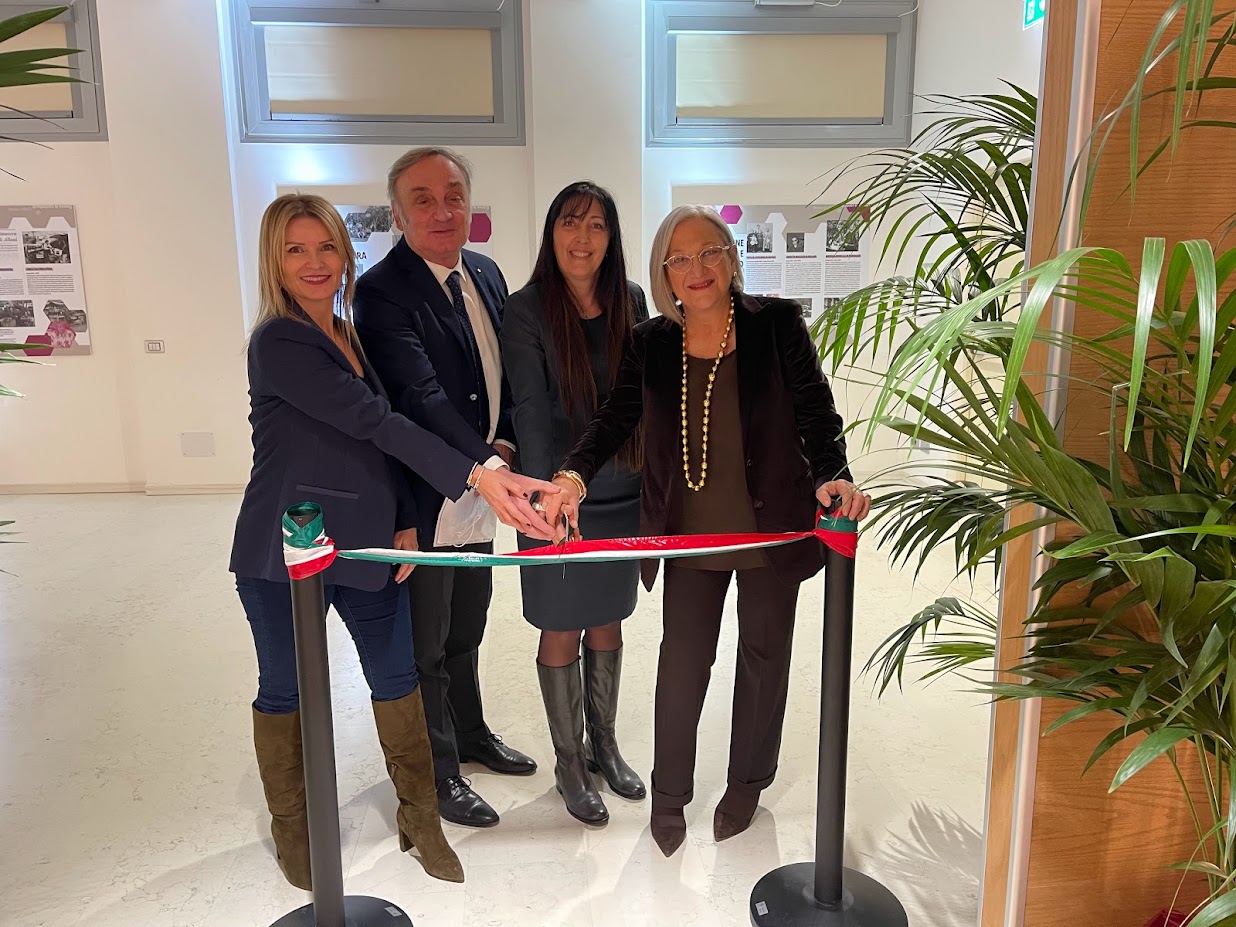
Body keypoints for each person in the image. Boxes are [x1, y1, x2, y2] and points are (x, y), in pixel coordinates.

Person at [229, 194, 555, 888]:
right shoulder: (279, 341)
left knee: (398, 678)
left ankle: (421, 820)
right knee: (285, 688)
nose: (315, 263)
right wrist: (477, 474)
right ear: (273, 262)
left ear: (345, 253)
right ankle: (295, 833)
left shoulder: (348, 332)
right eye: (295, 249)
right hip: (286, 549)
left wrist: (406, 514)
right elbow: (374, 420)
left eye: (326, 246)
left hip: (371, 544)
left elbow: (383, 440)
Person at [542, 205, 872, 857]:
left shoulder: (776, 324)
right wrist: (573, 474)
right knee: (683, 664)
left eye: (709, 251)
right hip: (690, 537)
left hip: (770, 531)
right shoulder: (651, 341)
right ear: (664, 273)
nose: (697, 268)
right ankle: (670, 797)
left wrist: (834, 473)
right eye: (680, 259)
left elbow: (816, 411)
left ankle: (746, 785)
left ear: (730, 256)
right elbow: (616, 416)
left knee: (764, 660)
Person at [354, 147, 540, 829]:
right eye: (423, 199)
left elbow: (507, 375)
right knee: (425, 641)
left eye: (453, 195)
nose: (442, 210)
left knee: (468, 624)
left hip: (488, 484)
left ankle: (471, 732)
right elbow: (420, 396)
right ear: (398, 214)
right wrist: (488, 467)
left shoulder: (486, 273)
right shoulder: (380, 292)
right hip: (430, 490)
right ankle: (438, 772)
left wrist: (507, 445)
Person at [501, 182, 649, 826]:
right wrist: (545, 497)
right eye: (570, 222)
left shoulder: (630, 300)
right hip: (554, 496)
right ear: (551, 232)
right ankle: (569, 761)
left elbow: (641, 398)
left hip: (618, 488)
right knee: (561, 623)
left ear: (611, 238)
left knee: (608, 617)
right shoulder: (526, 308)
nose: (582, 238)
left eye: (596, 225)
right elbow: (529, 409)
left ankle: (603, 746)